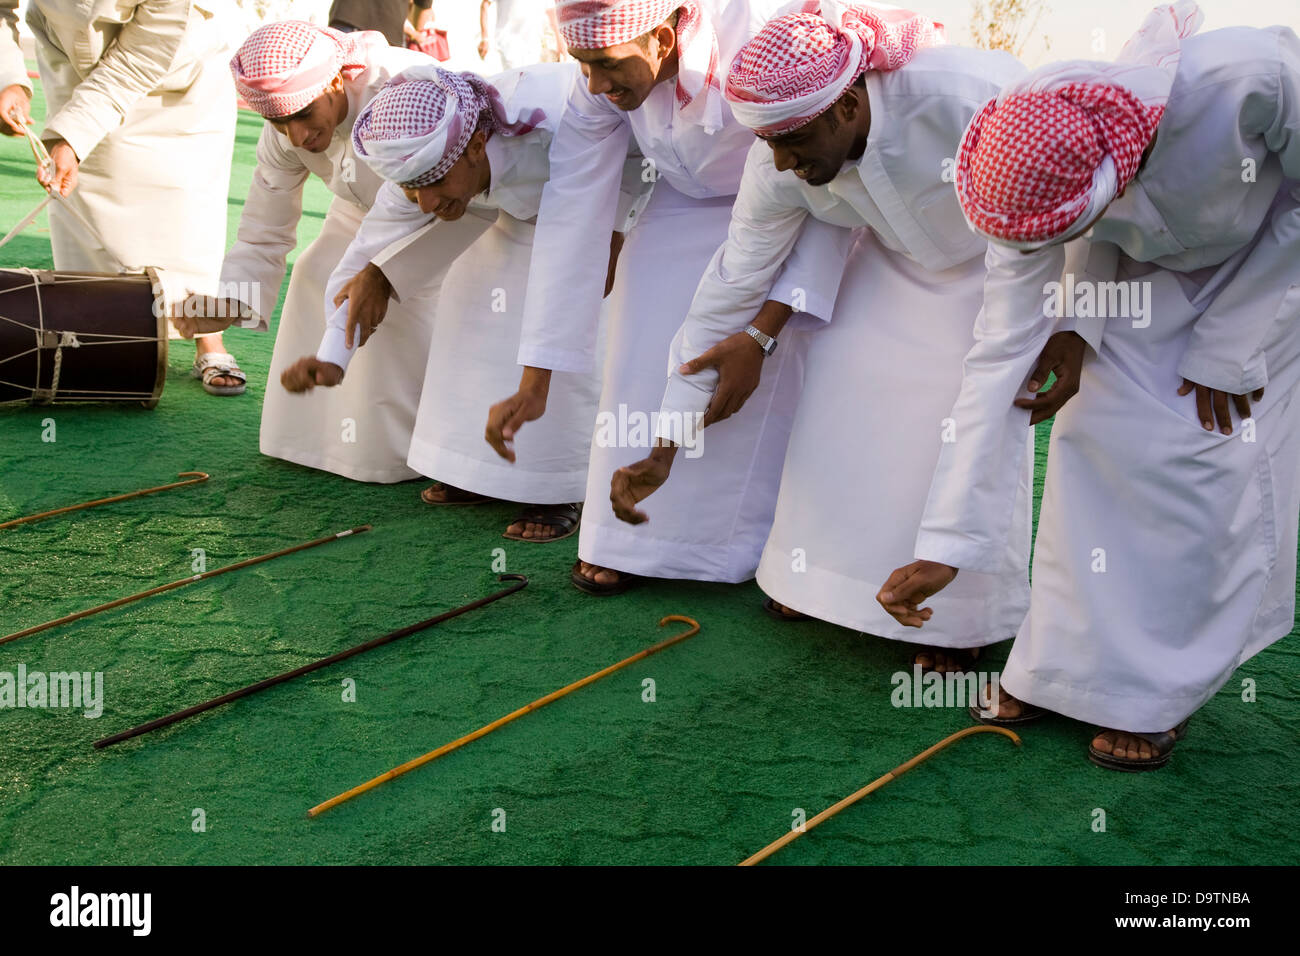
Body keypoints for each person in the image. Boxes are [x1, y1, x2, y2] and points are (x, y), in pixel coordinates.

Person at [878, 0, 1300, 769]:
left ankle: (1156, 693)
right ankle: (1056, 669)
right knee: (1088, 441)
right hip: (1128, 275)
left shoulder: (1252, 78)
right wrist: (948, 545)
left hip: (1263, 276)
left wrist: (1228, 343)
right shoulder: (1024, 158)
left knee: (1196, 464)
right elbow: (998, 356)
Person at [610, 1, 1037, 670]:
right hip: (894, 260)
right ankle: (818, 585)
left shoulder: (977, 97)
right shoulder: (778, 158)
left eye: (792, 144)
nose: (780, 164)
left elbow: (1077, 211)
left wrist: (1074, 324)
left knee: (968, 411)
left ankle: (956, 622)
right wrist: (667, 442)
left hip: (1005, 263)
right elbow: (727, 292)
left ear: (845, 107)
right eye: (768, 144)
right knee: (836, 388)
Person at [485, 0, 851, 594]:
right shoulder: (598, 87)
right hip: (677, 203)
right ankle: (626, 539)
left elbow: (826, 195)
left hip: (791, 205)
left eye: (605, 63)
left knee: (740, 378)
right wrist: (536, 378)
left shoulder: (759, 46)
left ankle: (736, 547)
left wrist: (761, 330)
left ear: (661, 35)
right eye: (581, 65)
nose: (595, 84)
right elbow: (572, 211)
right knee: (640, 360)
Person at [281, 62, 651, 540]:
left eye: (434, 185)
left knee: (569, 313)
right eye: (412, 189)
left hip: (602, 196)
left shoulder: (561, 122)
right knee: (471, 311)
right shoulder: (429, 163)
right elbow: (365, 252)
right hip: (502, 202)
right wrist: (334, 354)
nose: (425, 205)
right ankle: (470, 470)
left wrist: (616, 228)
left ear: (476, 146)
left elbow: (638, 152)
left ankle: (553, 488)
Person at [177, 20, 433, 482]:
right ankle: (315, 445)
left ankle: (410, 452)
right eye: (279, 122)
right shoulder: (284, 129)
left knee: (403, 302)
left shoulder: (402, 89)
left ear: (337, 80)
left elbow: (450, 194)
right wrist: (230, 302)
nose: (296, 136)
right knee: (315, 270)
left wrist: (383, 272)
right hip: (360, 209)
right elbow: (264, 229)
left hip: (446, 210)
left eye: (303, 115)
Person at [0, 0, 240, 396]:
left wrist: (73, 137)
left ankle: (207, 337)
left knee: (184, 207)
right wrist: (9, 76)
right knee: (85, 206)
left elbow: (140, 56)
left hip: (174, 70)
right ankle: (89, 333)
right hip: (71, 62)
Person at [329, 0, 433, 47]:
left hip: (345, 16)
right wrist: (417, 31)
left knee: (331, 85)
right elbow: (423, 7)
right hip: (385, 34)